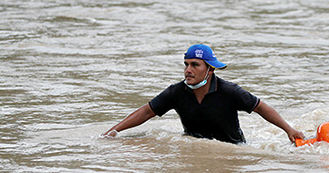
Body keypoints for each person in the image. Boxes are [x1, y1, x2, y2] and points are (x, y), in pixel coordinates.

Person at [103, 44, 304, 144]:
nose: (188, 70)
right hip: (194, 144)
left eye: (195, 65)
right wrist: (113, 132)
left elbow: (260, 107)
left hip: (233, 147)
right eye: (186, 64)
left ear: (210, 69)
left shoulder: (229, 91)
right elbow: (146, 112)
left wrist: (289, 130)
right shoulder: (176, 92)